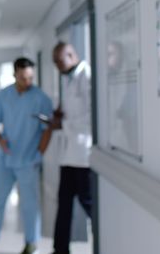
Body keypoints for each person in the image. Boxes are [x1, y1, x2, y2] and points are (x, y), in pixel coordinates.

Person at [0, 58, 53, 254]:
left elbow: (47, 130)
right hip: (6, 157)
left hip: (29, 159)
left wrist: (39, 154)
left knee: (30, 204)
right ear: (14, 75)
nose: (27, 82)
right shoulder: (3, 96)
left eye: (30, 78)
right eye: (23, 77)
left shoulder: (41, 99)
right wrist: (0, 140)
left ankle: (31, 244)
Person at [49, 42, 93, 254]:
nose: (57, 66)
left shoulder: (87, 76)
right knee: (63, 205)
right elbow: (71, 111)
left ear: (70, 54)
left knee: (89, 203)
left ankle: (106, 242)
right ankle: (60, 250)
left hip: (83, 156)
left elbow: (91, 117)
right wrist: (59, 115)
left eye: (59, 61)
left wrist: (63, 124)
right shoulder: (67, 79)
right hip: (68, 156)